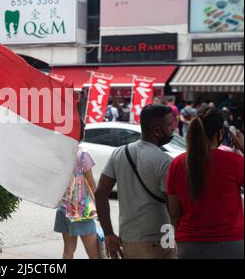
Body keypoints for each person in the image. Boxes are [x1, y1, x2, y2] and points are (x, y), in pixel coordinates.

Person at [95, 104, 176, 259]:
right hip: (159, 241)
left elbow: (100, 194)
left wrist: (109, 234)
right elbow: (174, 209)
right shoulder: (165, 161)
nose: (172, 128)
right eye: (169, 124)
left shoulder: (119, 153)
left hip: (128, 240)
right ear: (157, 130)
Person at [167, 108, 244, 259]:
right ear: (219, 133)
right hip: (229, 243)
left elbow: (174, 212)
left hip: (188, 245)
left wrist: (179, 239)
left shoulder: (177, 163)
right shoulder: (234, 161)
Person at [54, 148, 99, 259]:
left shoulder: (61, 153)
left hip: (63, 208)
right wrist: (99, 207)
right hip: (81, 211)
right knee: (94, 254)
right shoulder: (82, 155)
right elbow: (91, 183)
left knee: (68, 251)